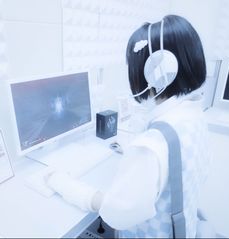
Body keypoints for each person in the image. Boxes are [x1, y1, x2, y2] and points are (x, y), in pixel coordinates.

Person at [45, 15, 210, 238]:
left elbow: (115, 214)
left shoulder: (152, 146)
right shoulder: (194, 114)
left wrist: (62, 183)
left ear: (155, 70)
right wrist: (138, 152)